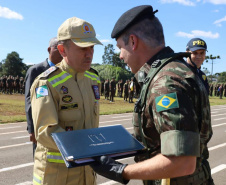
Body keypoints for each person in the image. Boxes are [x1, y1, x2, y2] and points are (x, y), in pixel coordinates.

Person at [90, 5, 214, 185]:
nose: (120, 56)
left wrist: (121, 171)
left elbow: (182, 162)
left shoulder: (166, 82)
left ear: (133, 42)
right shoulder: (175, 69)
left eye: (120, 47)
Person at [30, 17, 102, 185]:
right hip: (57, 176)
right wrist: (88, 147)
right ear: (62, 50)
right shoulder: (47, 82)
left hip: (87, 173)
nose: (89, 53)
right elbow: (46, 132)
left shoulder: (93, 79)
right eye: (83, 47)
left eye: (92, 47)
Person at [25, 37, 62, 157]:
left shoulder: (65, 71)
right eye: (58, 48)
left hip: (60, 125)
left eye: (64, 49)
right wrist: (32, 129)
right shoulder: (36, 70)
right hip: (41, 127)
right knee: (40, 158)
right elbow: (29, 100)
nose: (62, 52)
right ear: (49, 49)